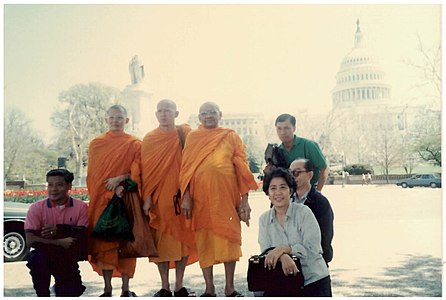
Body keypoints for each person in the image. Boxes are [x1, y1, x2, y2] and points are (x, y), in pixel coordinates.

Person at [179, 101, 258, 297]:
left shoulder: (230, 136)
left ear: (220, 114)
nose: (208, 116)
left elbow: (242, 168)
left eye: (212, 112)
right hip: (200, 199)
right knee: (205, 241)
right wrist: (186, 196)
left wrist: (245, 199)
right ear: (199, 117)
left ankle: (229, 287)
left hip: (226, 198)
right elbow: (186, 169)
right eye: (204, 113)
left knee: (229, 239)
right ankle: (209, 288)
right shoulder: (193, 137)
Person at [141, 99, 198, 297]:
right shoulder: (150, 139)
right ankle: (164, 286)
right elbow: (146, 171)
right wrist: (146, 198)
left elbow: (191, 166)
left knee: (182, 242)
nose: (164, 114)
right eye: (160, 111)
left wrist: (188, 195)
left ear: (176, 113)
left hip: (181, 198)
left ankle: (179, 285)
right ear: (156, 115)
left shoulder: (185, 134)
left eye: (168, 110)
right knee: (162, 245)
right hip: (158, 201)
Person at [87, 104, 142, 297]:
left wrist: (120, 180)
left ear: (126, 120)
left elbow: (138, 172)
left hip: (126, 199)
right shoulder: (97, 144)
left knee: (125, 244)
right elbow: (93, 176)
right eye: (112, 117)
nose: (115, 121)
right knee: (105, 245)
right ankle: (107, 288)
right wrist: (109, 192)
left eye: (119, 117)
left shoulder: (134, 144)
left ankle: (126, 289)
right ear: (106, 120)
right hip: (102, 201)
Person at [259, 167, 332, 297]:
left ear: (290, 190)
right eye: (273, 188)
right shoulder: (264, 220)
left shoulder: (304, 213)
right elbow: (267, 252)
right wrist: (282, 256)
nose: (278, 193)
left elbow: (313, 248)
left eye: (283, 187)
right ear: (267, 193)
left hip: (313, 278)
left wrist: (285, 249)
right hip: (283, 281)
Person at [24, 169, 88, 297]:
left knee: (71, 291)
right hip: (43, 254)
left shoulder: (81, 207)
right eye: (50, 185)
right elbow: (30, 239)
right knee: (37, 260)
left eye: (59, 185)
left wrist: (59, 230)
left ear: (69, 186)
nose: (53, 189)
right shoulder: (36, 208)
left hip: (67, 256)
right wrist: (59, 241)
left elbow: (83, 234)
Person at [265, 113, 328, 191]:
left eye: (286, 128)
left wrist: (318, 192)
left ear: (294, 128)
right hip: (289, 195)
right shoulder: (277, 152)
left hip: (309, 191)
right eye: (279, 128)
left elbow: (323, 168)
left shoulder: (308, 145)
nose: (282, 132)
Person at [289, 158, 334, 265]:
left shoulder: (320, 202)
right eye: (290, 173)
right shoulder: (282, 200)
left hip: (314, 262)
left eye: (297, 173)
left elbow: (325, 236)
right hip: (288, 262)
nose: (292, 177)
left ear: (309, 175)